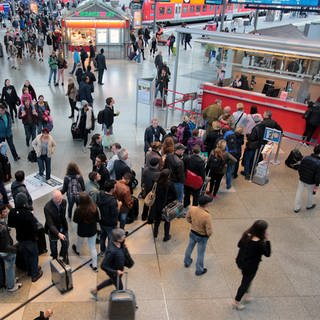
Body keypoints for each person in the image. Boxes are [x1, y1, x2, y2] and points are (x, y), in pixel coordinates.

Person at [233, 220, 271, 310]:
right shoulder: (260, 244)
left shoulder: (246, 234)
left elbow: (239, 245)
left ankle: (247, 294)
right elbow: (268, 254)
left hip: (241, 261)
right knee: (245, 283)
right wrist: (268, 240)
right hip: (251, 266)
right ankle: (236, 302)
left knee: (247, 279)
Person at [8, 192, 43, 282]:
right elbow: (34, 227)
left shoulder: (12, 212)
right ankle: (35, 274)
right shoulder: (28, 214)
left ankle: (29, 271)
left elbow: (10, 224)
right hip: (30, 239)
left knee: (26, 255)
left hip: (20, 239)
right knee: (34, 256)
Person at [90, 228, 130, 300]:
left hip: (118, 269)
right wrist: (116, 272)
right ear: (118, 239)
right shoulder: (111, 252)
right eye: (123, 236)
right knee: (120, 288)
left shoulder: (118, 242)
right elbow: (103, 266)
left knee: (111, 281)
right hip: (114, 272)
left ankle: (95, 290)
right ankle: (121, 305)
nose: (125, 237)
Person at [183, 196, 213, 276]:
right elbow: (209, 230)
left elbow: (187, 218)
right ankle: (199, 270)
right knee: (200, 253)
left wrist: (193, 224)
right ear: (206, 204)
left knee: (189, 247)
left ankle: (187, 261)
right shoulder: (207, 216)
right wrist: (208, 235)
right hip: (202, 237)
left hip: (193, 233)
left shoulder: (192, 209)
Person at [72, 192, 100, 272]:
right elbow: (98, 219)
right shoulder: (94, 208)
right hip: (92, 230)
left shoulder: (78, 210)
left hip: (82, 230)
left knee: (79, 241)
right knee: (93, 247)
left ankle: (77, 251)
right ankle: (94, 265)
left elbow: (75, 221)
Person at [150, 169, 177, 241]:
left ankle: (155, 234)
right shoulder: (170, 184)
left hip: (157, 205)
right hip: (167, 206)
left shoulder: (156, 182)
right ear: (168, 176)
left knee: (157, 220)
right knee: (167, 221)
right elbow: (175, 196)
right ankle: (166, 236)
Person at [0, 204, 22, 292]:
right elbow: (5, 244)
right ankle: (11, 286)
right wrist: (14, 249)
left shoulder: (2, 223)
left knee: (9, 268)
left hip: (4, 250)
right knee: (10, 267)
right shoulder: (1, 227)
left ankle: (11, 281)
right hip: (7, 250)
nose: (6, 213)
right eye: (4, 212)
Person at [44, 190, 69, 264]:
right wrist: (58, 234)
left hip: (63, 226)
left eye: (60, 200)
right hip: (53, 230)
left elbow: (63, 215)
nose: (60, 202)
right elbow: (50, 224)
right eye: (57, 202)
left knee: (66, 243)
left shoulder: (64, 202)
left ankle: (62, 256)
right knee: (53, 247)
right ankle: (55, 259)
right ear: (53, 199)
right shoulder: (47, 208)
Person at [294, 144, 320, 213]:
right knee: (310, 194)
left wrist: (301, 176)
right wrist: (317, 185)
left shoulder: (305, 157)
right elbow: (318, 176)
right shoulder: (319, 163)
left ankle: (296, 207)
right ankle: (309, 205)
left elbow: (300, 168)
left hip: (302, 179)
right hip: (311, 182)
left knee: (299, 192)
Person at [96, 179, 120, 254]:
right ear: (112, 189)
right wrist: (119, 206)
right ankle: (109, 253)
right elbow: (115, 214)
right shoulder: (113, 201)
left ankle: (102, 251)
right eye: (115, 187)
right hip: (110, 224)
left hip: (102, 221)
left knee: (103, 236)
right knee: (111, 239)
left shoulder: (101, 194)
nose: (116, 188)